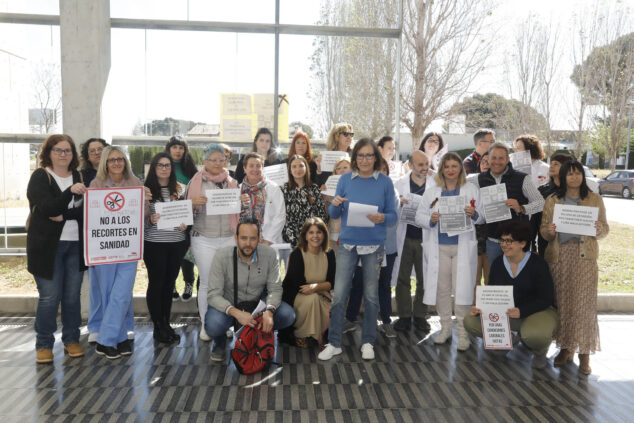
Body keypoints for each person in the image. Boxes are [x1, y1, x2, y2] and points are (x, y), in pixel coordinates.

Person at [318, 138, 397, 361]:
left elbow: (393, 216)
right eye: (360, 155)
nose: (364, 160)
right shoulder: (345, 179)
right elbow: (334, 215)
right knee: (340, 294)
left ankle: (368, 341)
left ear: (376, 158)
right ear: (355, 158)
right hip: (348, 244)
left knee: (371, 296)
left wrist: (383, 216)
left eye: (369, 155)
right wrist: (334, 205)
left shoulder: (384, 182)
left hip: (373, 244)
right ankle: (334, 343)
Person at [540, 160, 609, 375]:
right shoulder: (553, 200)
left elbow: (605, 229)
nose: (574, 177)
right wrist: (550, 231)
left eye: (577, 173)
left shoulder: (594, 199)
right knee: (563, 303)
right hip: (560, 257)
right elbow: (543, 231)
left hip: (584, 258)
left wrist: (598, 229)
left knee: (583, 306)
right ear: (562, 177)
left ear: (582, 176)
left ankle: (584, 354)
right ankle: (566, 348)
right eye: (569, 174)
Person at [464, 221, 558, 369]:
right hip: (509, 313)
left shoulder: (537, 264)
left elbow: (546, 298)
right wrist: (480, 308)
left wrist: (522, 311)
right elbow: (492, 293)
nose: (504, 244)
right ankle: (508, 339)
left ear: (522, 243)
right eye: (502, 240)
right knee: (470, 321)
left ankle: (539, 351)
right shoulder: (498, 264)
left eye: (509, 241)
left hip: (538, 311)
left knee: (535, 335)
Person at [27, 134, 87, 363]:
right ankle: (43, 344)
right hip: (46, 248)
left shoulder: (81, 176)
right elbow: (48, 208)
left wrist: (64, 214)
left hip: (75, 246)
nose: (63, 154)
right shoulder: (41, 176)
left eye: (68, 150)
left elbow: (86, 211)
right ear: (48, 153)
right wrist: (70, 192)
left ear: (73, 154)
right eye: (58, 150)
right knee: (50, 297)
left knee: (72, 297)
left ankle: (71, 339)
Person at [415, 152, 483, 351]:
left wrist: (475, 214)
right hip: (439, 247)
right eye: (447, 166)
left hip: (462, 246)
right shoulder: (432, 191)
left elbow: (483, 216)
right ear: (441, 169)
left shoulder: (470, 189)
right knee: (442, 289)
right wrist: (431, 219)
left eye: (455, 166)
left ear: (460, 169)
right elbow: (419, 215)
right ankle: (445, 327)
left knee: (461, 288)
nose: (451, 170)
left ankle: (462, 331)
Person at [204, 219, 296, 362]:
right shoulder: (222, 256)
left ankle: (257, 335)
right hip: (230, 305)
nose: (248, 243)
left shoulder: (269, 254)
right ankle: (220, 340)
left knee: (287, 315)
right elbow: (213, 295)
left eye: (253, 238)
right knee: (213, 325)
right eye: (244, 238)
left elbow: (275, 288)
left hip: (258, 304)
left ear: (259, 239)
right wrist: (237, 313)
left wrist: (269, 312)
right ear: (236, 238)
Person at [88, 146, 150, 359]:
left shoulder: (135, 183)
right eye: (112, 160)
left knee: (121, 294)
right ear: (105, 163)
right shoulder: (95, 185)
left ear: (125, 162)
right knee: (108, 294)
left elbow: (144, 215)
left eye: (120, 159)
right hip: (104, 250)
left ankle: (104, 341)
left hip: (128, 249)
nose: (116, 163)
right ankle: (120, 336)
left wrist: (145, 200)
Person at [186, 143, 239, 341]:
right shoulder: (196, 182)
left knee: (226, 284)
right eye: (212, 159)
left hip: (228, 238)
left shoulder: (232, 182)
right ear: (204, 161)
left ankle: (222, 323)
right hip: (204, 240)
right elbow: (184, 212)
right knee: (208, 283)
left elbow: (237, 210)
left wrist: (242, 201)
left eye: (221, 159)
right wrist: (193, 203)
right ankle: (205, 324)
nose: (217, 163)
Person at [344, 157, 399, 338]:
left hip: (386, 248)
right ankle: (350, 319)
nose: (380, 174)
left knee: (383, 285)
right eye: (377, 170)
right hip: (364, 246)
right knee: (359, 283)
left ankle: (386, 321)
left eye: (383, 170)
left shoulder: (393, 193)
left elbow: (390, 218)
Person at [472, 142, 544, 266]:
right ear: (488, 159)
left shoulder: (522, 178)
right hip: (493, 240)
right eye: (493, 158)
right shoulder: (478, 179)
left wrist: (522, 208)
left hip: (517, 241)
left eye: (501, 158)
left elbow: (541, 203)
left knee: (518, 278)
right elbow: (458, 181)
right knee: (496, 279)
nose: (497, 161)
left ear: (508, 159)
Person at [143, 152, 188, 344]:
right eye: (160, 165)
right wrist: (149, 220)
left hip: (176, 243)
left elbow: (186, 214)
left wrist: (186, 223)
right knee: (157, 283)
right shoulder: (145, 191)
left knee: (169, 284)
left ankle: (166, 323)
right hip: (154, 244)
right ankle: (158, 326)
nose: (164, 168)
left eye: (167, 165)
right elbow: (137, 219)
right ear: (154, 168)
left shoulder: (180, 189)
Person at [391, 151, 434, 332]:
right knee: (402, 278)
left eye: (426, 164)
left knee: (425, 279)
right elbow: (390, 209)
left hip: (426, 237)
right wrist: (398, 203)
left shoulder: (435, 184)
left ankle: (420, 315)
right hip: (405, 236)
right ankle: (404, 316)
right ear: (410, 165)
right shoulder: (398, 185)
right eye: (420, 165)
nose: (424, 168)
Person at [281, 218, 336, 347]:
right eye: (311, 232)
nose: (315, 236)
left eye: (319, 232)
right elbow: (300, 286)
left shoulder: (329, 253)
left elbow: (332, 282)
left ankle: (315, 335)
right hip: (296, 296)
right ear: (305, 235)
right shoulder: (297, 254)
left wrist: (317, 287)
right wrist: (321, 288)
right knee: (314, 299)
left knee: (326, 300)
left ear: (324, 234)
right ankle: (302, 335)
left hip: (319, 293)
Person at [165, 136, 198, 302]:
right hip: (167, 216)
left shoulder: (191, 169)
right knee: (170, 252)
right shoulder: (162, 166)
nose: (178, 151)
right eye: (174, 147)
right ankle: (171, 284)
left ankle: (189, 283)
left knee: (186, 252)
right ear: (169, 149)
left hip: (186, 217)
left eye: (181, 148)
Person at [281, 155, 328, 247]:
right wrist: (293, 240)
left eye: (301, 166)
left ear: (306, 168)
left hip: (313, 240)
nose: (298, 169)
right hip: (292, 240)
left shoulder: (314, 189)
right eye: (294, 166)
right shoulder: (284, 190)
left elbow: (321, 215)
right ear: (290, 170)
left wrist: (316, 236)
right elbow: (282, 217)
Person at [239, 152, 286, 245]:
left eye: (258, 166)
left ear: (262, 168)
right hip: (245, 242)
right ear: (245, 168)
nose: (255, 169)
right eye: (251, 166)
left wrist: (267, 240)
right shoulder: (238, 189)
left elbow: (280, 216)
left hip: (268, 241)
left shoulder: (273, 188)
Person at [535, 153, 574, 256]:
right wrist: (532, 246)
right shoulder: (542, 191)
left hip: (569, 245)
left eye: (556, 164)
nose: (551, 166)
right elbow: (535, 220)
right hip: (545, 244)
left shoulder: (575, 191)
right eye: (551, 163)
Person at [467, 152, 491, 300]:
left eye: (489, 161)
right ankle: (474, 309)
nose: (486, 164)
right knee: (474, 278)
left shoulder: (501, 184)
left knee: (490, 278)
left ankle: (489, 310)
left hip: (492, 237)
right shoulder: (470, 182)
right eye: (483, 161)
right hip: (474, 236)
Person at [321, 157, 352, 252]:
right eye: (338, 168)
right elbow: (325, 213)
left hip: (352, 233)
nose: (342, 170)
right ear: (335, 172)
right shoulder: (329, 187)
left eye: (345, 167)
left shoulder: (358, 185)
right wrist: (323, 197)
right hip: (334, 233)